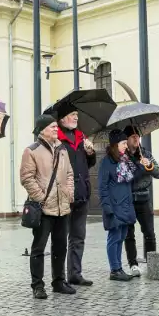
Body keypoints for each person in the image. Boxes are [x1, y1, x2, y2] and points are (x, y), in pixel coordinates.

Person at [20, 114, 75, 299]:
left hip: (62, 206)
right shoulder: (32, 150)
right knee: (38, 248)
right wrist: (41, 197)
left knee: (60, 246)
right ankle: (37, 285)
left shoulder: (62, 149)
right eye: (52, 126)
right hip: (43, 208)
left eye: (55, 126)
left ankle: (59, 281)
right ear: (42, 129)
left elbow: (69, 173)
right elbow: (26, 178)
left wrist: (69, 193)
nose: (55, 129)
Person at [56, 109, 96, 287]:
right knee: (60, 238)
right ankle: (59, 277)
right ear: (62, 118)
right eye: (72, 115)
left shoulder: (81, 137)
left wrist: (90, 153)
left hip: (82, 194)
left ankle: (75, 274)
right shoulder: (56, 139)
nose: (75, 118)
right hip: (64, 195)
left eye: (77, 116)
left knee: (78, 237)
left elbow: (88, 164)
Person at [98, 129, 141, 281]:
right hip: (114, 207)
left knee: (122, 236)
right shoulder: (106, 162)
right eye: (123, 143)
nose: (125, 146)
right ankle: (114, 270)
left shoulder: (125, 159)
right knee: (114, 237)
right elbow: (102, 187)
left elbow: (135, 175)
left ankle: (119, 268)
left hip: (126, 205)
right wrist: (107, 207)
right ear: (116, 144)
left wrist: (140, 162)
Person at [123, 125, 159, 276]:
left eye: (137, 136)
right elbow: (127, 178)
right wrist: (139, 168)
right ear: (126, 139)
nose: (136, 138)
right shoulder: (123, 157)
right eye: (132, 136)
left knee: (149, 233)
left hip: (144, 199)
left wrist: (150, 166)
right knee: (129, 234)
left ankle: (152, 262)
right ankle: (133, 264)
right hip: (128, 200)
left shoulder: (145, 154)